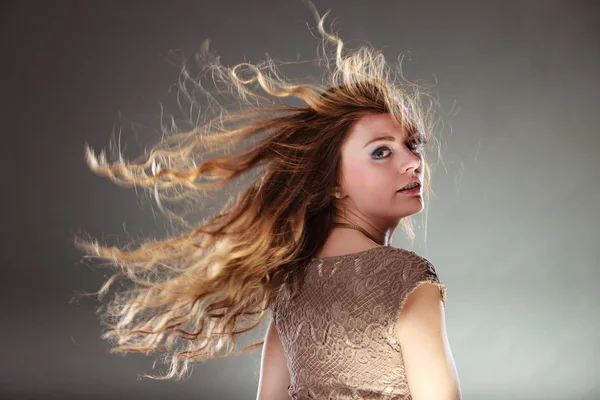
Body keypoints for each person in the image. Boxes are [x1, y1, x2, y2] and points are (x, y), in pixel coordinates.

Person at [74, 3, 462, 400]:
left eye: (412, 145)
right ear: (332, 181)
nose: (413, 161)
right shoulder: (407, 279)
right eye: (381, 152)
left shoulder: (291, 285)